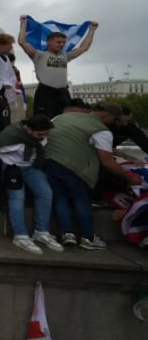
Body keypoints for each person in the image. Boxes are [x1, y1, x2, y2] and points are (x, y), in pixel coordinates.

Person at [43, 102, 141, 250]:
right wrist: (129, 177)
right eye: (115, 120)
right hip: (73, 167)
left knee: (60, 199)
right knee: (81, 200)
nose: (114, 124)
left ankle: (68, 234)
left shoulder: (62, 117)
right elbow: (107, 162)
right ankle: (87, 238)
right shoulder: (101, 130)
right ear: (108, 116)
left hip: (49, 162)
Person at [0, 115, 64, 255]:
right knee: (17, 197)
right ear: (29, 130)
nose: (43, 137)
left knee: (45, 193)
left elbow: (40, 150)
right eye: (40, 134)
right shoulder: (11, 136)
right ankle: (20, 235)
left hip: (30, 167)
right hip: (11, 166)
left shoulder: (39, 140)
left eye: (45, 134)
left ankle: (41, 231)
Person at [18, 15, 98, 119]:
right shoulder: (39, 55)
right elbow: (22, 42)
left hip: (63, 93)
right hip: (46, 93)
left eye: (63, 42)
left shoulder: (65, 56)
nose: (61, 45)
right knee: (44, 121)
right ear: (49, 42)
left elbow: (84, 47)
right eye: (58, 42)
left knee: (65, 119)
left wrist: (91, 30)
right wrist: (24, 23)